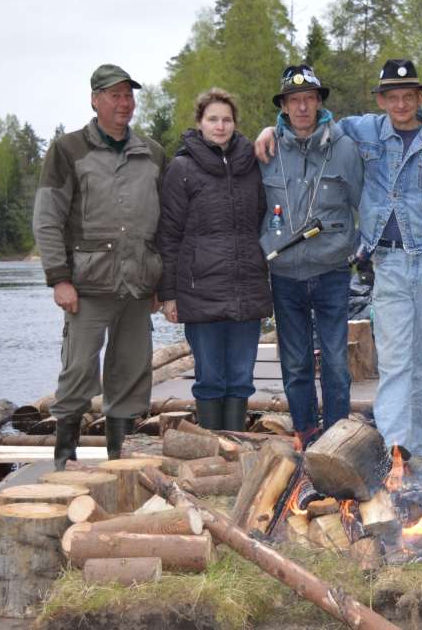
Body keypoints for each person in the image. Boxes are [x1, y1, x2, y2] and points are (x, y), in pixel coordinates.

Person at [257, 59, 422, 481]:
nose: (400, 103)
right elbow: (309, 127)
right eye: (392, 96)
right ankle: (390, 453)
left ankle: (419, 453)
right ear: (381, 99)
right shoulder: (362, 130)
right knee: (395, 362)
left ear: (420, 97)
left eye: (409, 95)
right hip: (385, 261)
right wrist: (269, 130)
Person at [32, 64, 166, 470]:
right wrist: (59, 278)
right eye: (115, 95)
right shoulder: (68, 149)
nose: (124, 103)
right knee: (76, 373)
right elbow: (47, 217)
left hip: (138, 286)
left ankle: (117, 466)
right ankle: (63, 461)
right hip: (87, 285)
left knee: (129, 375)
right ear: (95, 99)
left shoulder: (153, 153)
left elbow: (166, 223)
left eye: (128, 95)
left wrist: (162, 281)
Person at [258, 65, 363, 449]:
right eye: (294, 100)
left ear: (319, 102)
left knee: (336, 363)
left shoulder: (345, 147)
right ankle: (304, 433)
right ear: (283, 107)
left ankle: (337, 440)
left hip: (333, 271)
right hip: (284, 274)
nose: (302, 107)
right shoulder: (267, 150)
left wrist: (359, 249)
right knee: (296, 364)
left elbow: (361, 204)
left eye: (308, 99)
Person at [156, 88, 272, 431]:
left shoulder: (252, 164)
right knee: (209, 378)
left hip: (247, 287)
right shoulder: (182, 168)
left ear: (235, 123)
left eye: (226, 119)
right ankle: (212, 450)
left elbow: (265, 217)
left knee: (240, 378)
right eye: (213, 119)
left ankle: (234, 445)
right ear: (199, 123)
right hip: (200, 290)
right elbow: (169, 234)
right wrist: (169, 294)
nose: (220, 126)